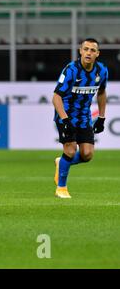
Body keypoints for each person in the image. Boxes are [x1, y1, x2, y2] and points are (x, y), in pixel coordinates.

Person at [53, 38, 107, 198]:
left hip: (84, 117)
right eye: (86, 49)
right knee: (70, 149)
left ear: (97, 54)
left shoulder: (102, 71)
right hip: (65, 115)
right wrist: (64, 120)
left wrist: (102, 117)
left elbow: (102, 92)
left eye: (92, 50)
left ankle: (60, 162)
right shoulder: (71, 70)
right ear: (80, 51)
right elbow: (56, 97)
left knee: (87, 155)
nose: (88, 53)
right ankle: (61, 188)